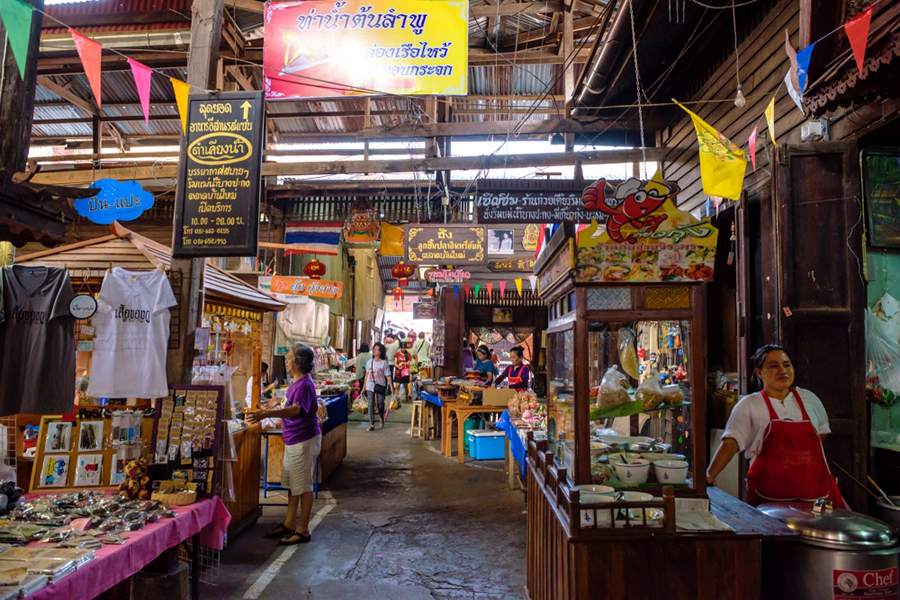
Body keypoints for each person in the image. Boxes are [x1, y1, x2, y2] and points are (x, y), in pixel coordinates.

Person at [706, 344, 847, 508]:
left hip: (817, 498)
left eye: (787, 365)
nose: (783, 370)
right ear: (759, 373)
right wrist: (710, 474)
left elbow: (819, 435)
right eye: (774, 366)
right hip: (772, 501)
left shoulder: (809, 399)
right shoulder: (749, 405)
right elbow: (731, 442)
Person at [249, 343, 322, 544]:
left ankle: (303, 529)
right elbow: (290, 404)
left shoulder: (305, 384)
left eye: (289, 358)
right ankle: (290, 523)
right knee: (292, 484)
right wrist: (276, 403)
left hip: (303, 440)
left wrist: (269, 413)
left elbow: (297, 409)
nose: (286, 361)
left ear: (298, 363)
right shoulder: (296, 382)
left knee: (304, 485)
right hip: (294, 440)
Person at [364, 343, 393, 431]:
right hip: (370, 386)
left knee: (380, 404)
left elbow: (388, 375)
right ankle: (372, 424)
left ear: (380, 352)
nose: (374, 351)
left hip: (380, 386)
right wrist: (363, 387)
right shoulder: (369, 362)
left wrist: (391, 387)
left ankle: (381, 417)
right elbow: (367, 375)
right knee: (370, 405)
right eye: (374, 349)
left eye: (376, 349)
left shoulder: (384, 363)